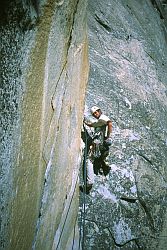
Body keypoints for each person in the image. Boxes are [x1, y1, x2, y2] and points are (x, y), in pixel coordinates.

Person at [80, 106, 112, 194]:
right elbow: (92, 125)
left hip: (97, 143)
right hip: (100, 145)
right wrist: (84, 122)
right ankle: (103, 163)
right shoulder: (99, 121)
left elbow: (109, 123)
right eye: (94, 113)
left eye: (97, 112)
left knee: (89, 160)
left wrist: (108, 137)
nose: (95, 114)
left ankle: (89, 182)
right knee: (94, 159)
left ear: (100, 111)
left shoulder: (103, 118)